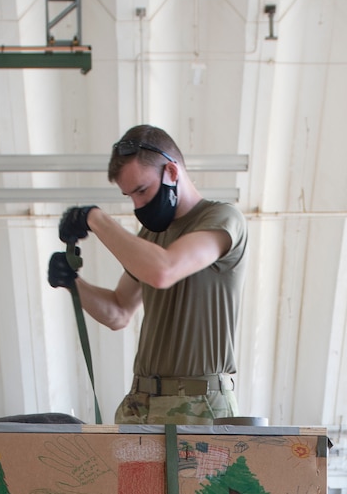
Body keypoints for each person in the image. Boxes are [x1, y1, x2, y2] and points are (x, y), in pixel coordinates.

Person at [49, 124, 248, 423]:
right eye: (129, 196)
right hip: (142, 403)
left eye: (142, 190)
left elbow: (163, 270)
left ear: (171, 171)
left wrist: (96, 219)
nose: (138, 205)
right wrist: (74, 284)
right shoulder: (151, 237)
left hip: (199, 405)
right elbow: (118, 311)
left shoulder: (221, 219)